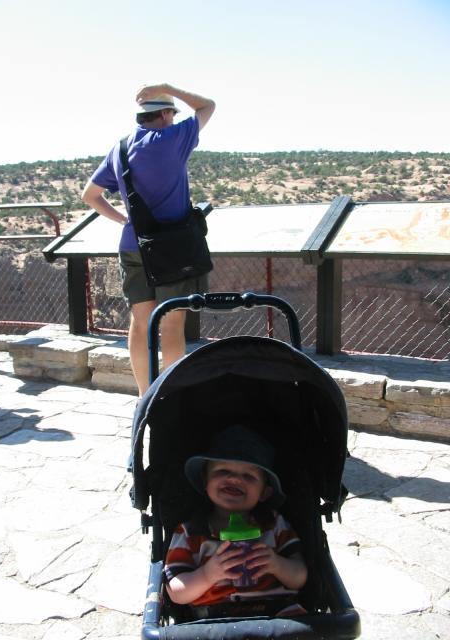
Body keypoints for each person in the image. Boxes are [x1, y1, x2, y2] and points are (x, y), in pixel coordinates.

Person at [81, 84, 215, 397]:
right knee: (170, 324)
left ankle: (145, 396)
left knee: (141, 324)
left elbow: (90, 195)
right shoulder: (173, 138)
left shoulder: (122, 148)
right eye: (171, 111)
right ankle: (169, 398)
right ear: (166, 113)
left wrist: (123, 220)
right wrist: (168, 88)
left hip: (133, 246)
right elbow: (207, 106)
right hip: (172, 250)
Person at [164, 425, 308, 619]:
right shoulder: (190, 532)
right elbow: (176, 591)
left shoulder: (274, 525)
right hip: (215, 618)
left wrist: (277, 565)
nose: (233, 478)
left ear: (265, 492)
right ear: (205, 481)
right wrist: (208, 575)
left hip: (277, 613)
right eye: (223, 470)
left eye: (248, 476)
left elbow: (299, 577)